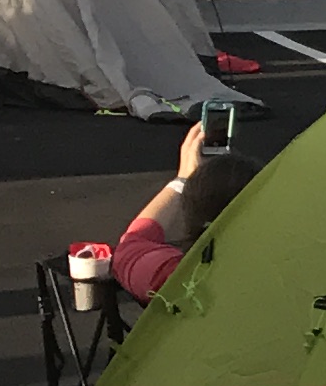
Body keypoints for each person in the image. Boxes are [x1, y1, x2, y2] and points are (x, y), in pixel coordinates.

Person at [108, 117, 258, 300]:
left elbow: (131, 245)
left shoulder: (176, 278)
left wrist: (182, 180)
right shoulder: (284, 274)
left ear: (190, 207)